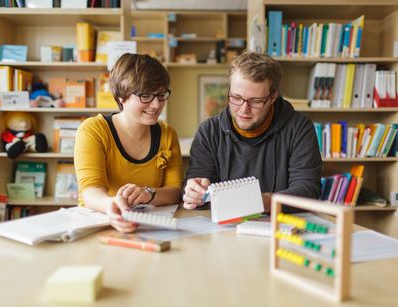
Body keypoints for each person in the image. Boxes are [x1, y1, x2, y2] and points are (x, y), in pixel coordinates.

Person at [183, 51, 322, 213]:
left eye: (255, 101)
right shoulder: (209, 131)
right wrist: (194, 193)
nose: (243, 110)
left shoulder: (299, 128)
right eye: (236, 97)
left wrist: (257, 201)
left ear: (272, 97)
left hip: (281, 227)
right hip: (224, 229)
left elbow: (308, 189)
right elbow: (198, 182)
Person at [74, 53, 183, 233]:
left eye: (161, 94)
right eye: (146, 95)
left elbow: (174, 191)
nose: (157, 104)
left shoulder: (168, 135)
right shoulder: (93, 130)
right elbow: (90, 192)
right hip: (99, 224)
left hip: (150, 226)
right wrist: (112, 205)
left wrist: (149, 194)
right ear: (121, 96)